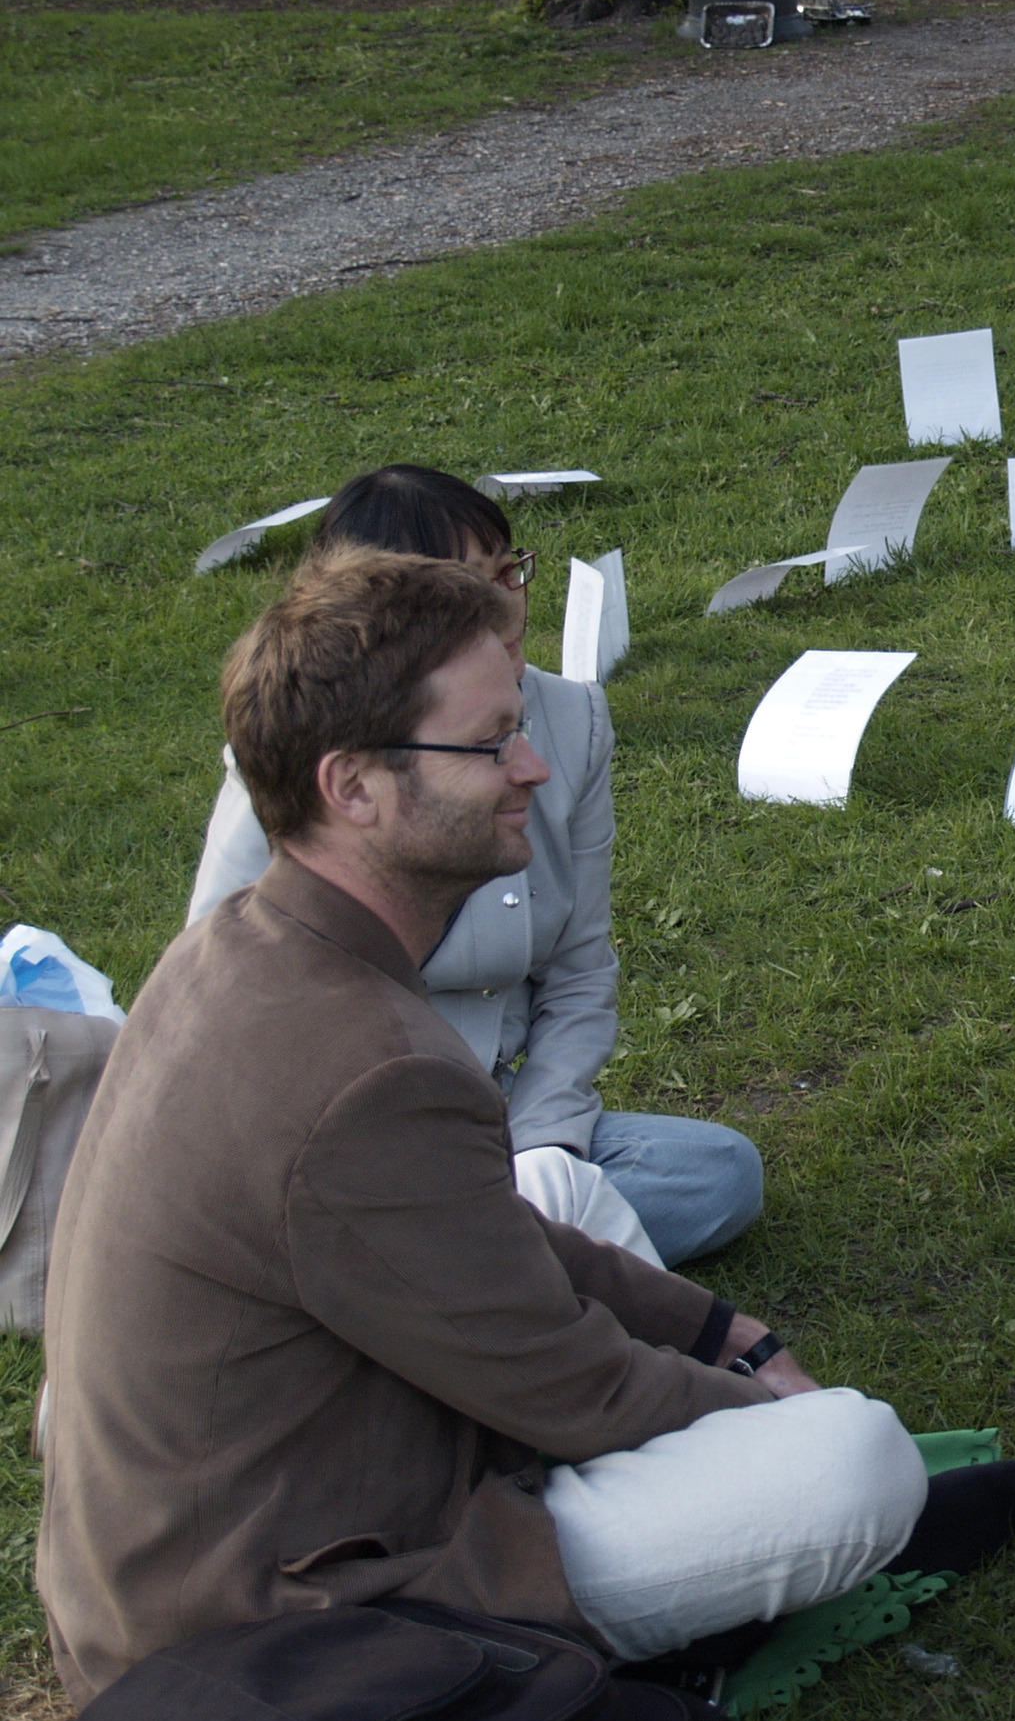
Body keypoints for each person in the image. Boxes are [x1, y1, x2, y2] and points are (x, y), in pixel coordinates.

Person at [36, 549, 1015, 1705]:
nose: (531, 765)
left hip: (234, 1513)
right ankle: (685, 1618)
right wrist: (755, 1414)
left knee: (559, 1185)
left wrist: (728, 1331)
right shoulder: (365, 1070)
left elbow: (498, 1235)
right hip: (266, 1621)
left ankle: (708, 1550)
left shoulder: (245, 946)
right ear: (352, 787)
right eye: (488, 743)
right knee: (852, 1462)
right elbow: (576, 1389)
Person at [186, 466, 762, 1267]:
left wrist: (542, 1149)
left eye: (507, 572)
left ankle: (460, 1247)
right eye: (467, 588)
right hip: (345, 1122)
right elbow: (215, 982)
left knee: (715, 1172)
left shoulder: (574, 720)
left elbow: (580, 970)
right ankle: (468, 1250)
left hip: (495, 1120)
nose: (509, 605)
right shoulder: (304, 750)